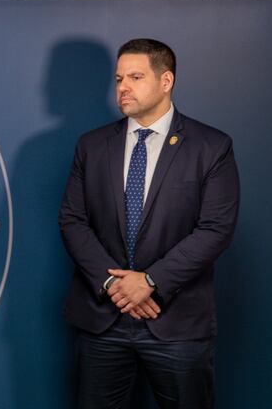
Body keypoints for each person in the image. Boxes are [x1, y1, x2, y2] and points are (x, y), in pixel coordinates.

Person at [58, 38, 239, 408]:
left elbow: (215, 229)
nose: (123, 87)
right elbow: (73, 220)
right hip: (102, 322)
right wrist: (115, 285)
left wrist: (151, 282)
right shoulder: (91, 146)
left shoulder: (211, 146)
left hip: (177, 324)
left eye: (136, 77)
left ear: (166, 80)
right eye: (119, 78)